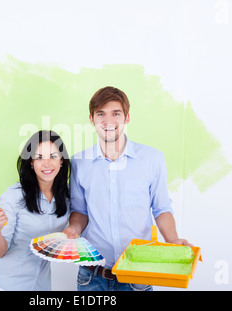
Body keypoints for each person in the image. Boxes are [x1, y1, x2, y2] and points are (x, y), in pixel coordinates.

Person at [64, 86, 192, 291]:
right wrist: (73, 229)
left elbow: (161, 208)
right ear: (91, 119)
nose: (108, 121)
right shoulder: (79, 162)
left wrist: (174, 240)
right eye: (101, 114)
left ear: (127, 118)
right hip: (92, 276)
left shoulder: (152, 159)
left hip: (138, 275)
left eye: (116, 113)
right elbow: (80, 211)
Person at [0, 130, 70, 291]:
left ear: (61, 160)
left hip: (42, 287)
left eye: (53, 156)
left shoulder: (66, 196)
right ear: (31, 162)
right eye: (39, 157)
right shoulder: (14, 195)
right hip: (7, 286)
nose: (47, 163)